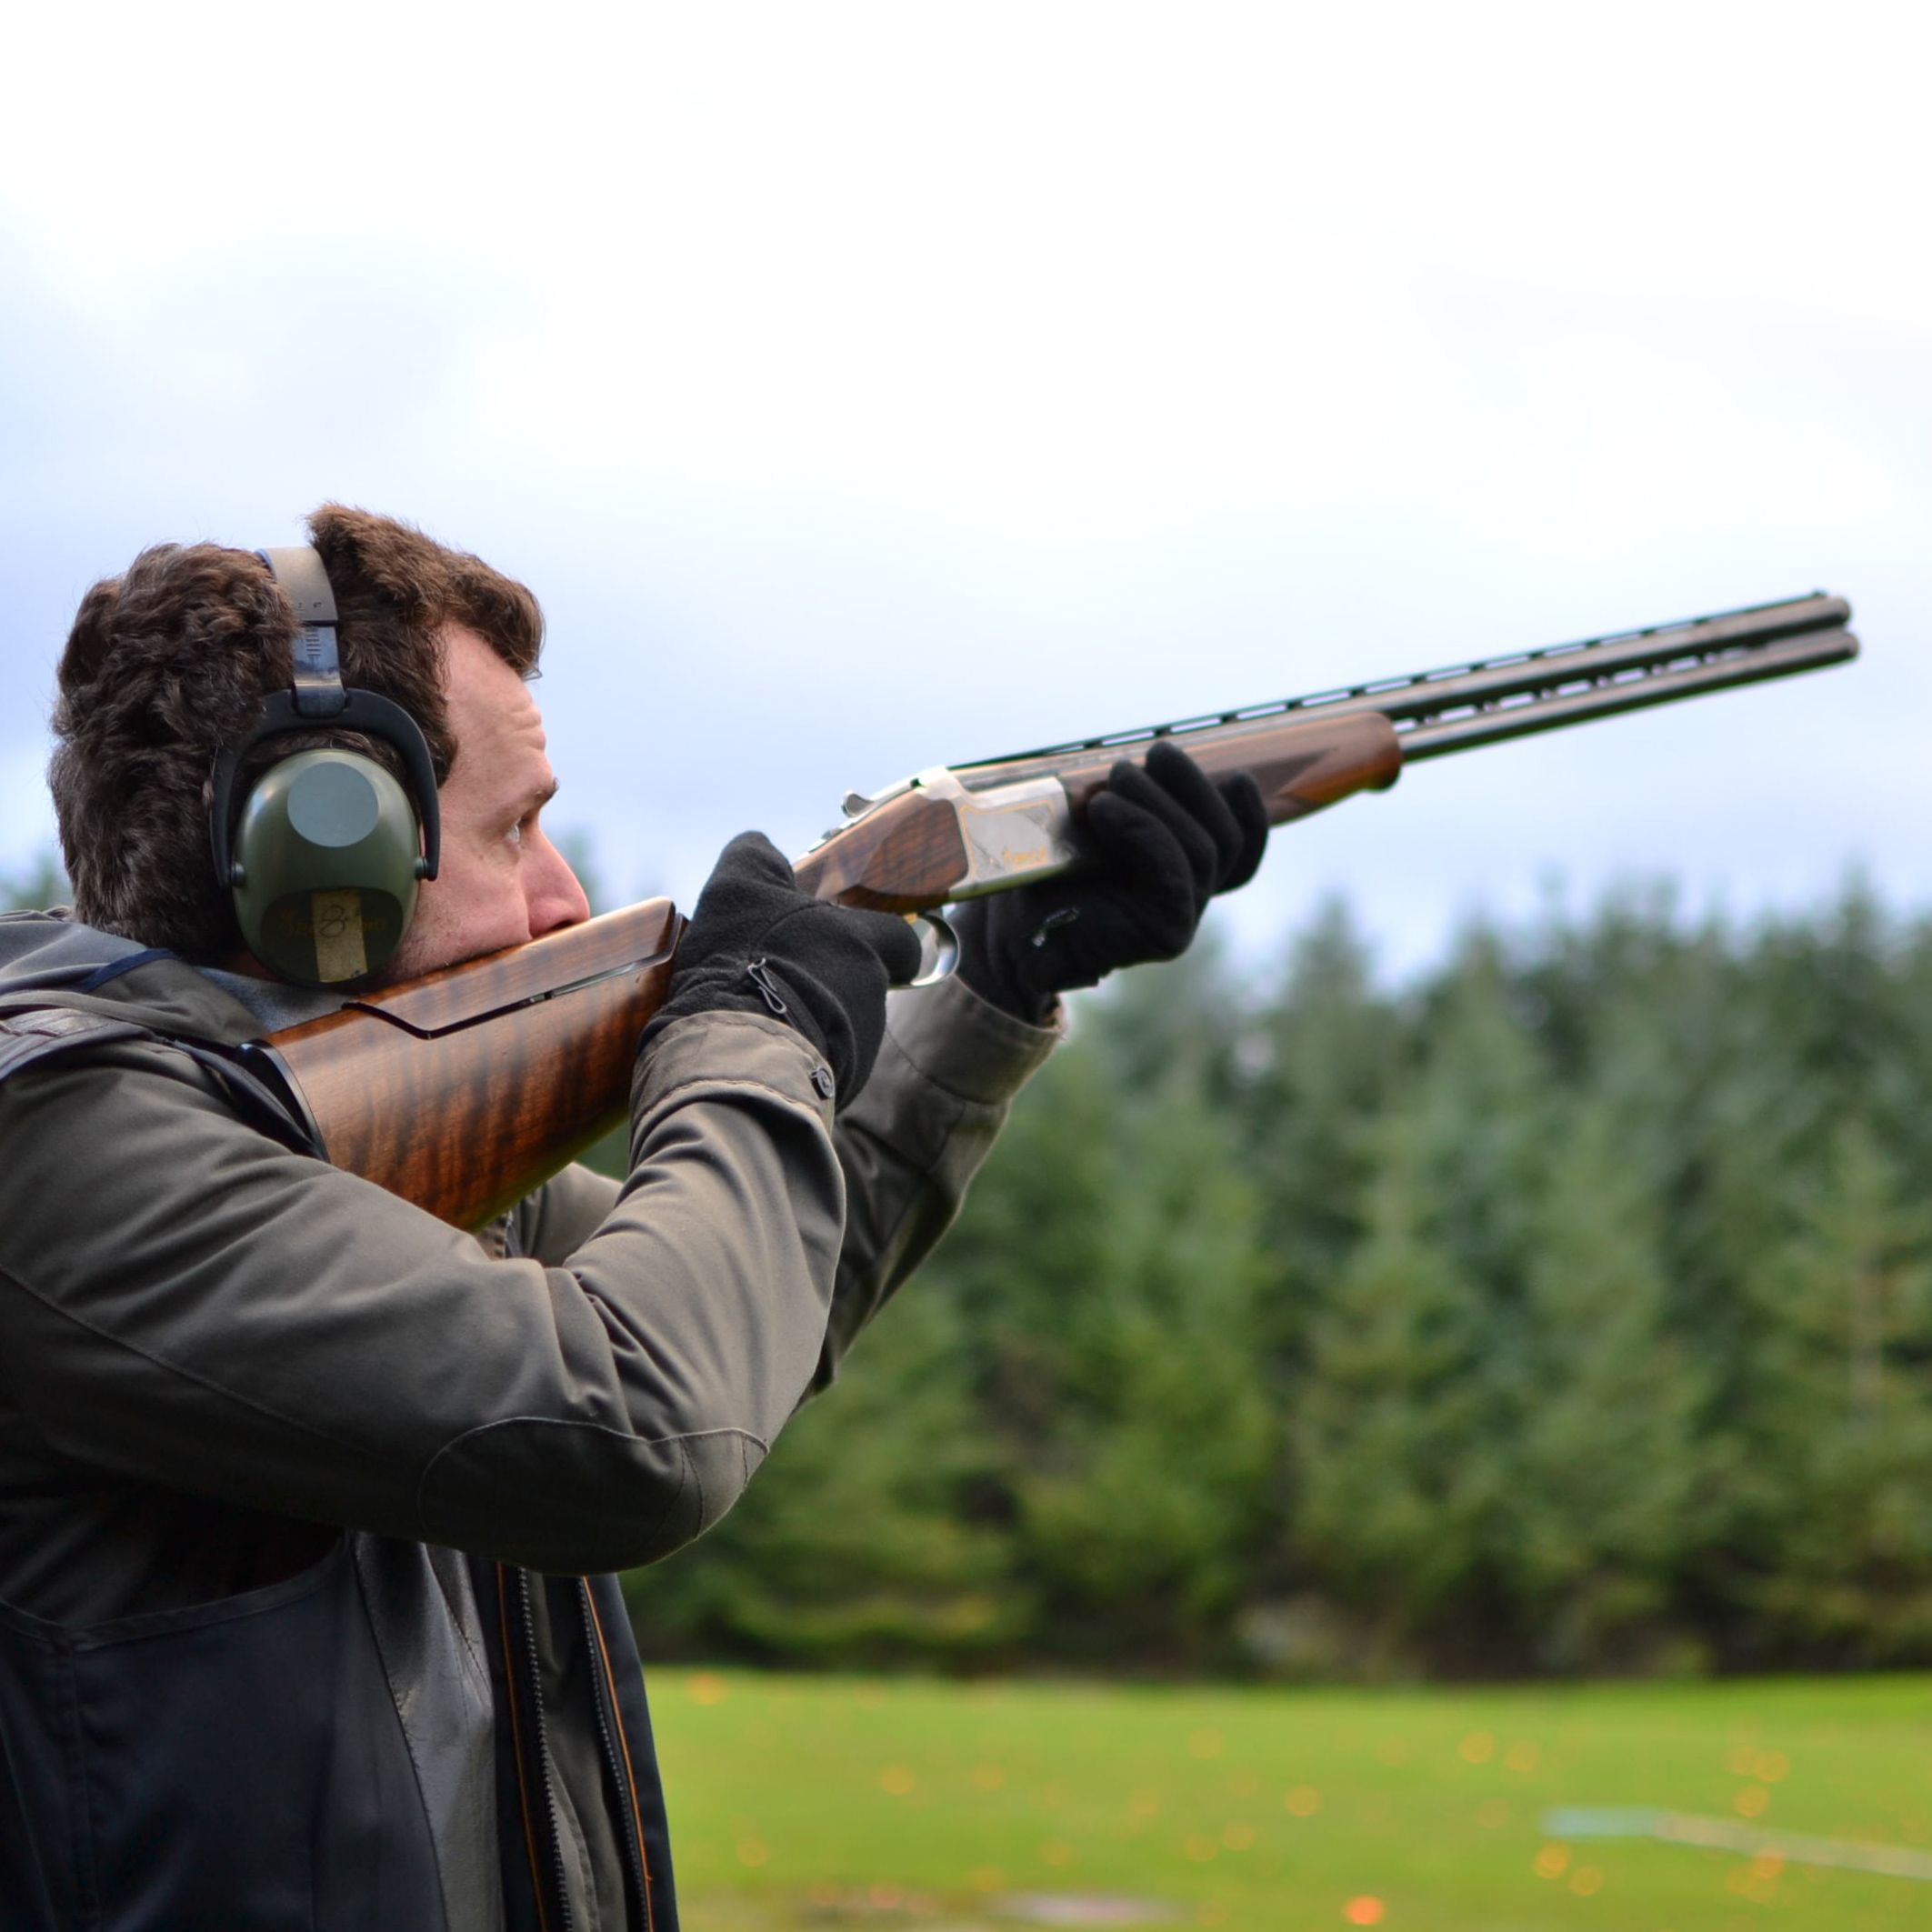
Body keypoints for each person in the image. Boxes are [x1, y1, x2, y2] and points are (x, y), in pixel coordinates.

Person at [0, 506, 1266, 1931]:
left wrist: (989, 993)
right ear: (322, 864)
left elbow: (749, 1291)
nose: (567, 894)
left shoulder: (333, 1149)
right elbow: (638, 1422)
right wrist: (751, 1024)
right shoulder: (59, 1151)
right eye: (517, 824)